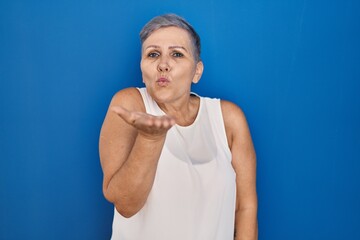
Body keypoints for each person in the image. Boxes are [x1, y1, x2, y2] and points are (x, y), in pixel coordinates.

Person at [99, 13, 258, 240]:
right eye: (153, 54)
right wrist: (150, 140)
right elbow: (126, 204)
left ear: (197, 71)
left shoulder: (228, 118)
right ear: (142, 71)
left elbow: (246, 208)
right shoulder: (130, 105)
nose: (163, 64)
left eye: (177, 54)